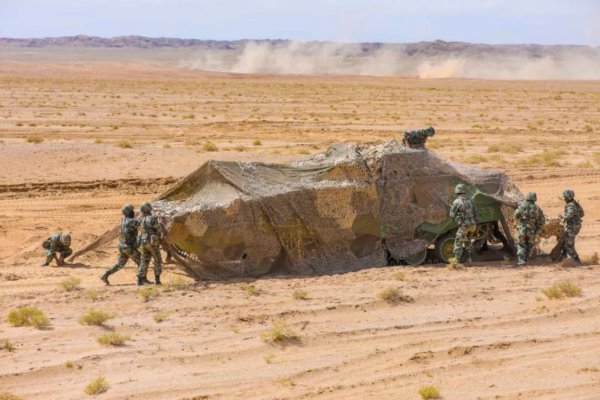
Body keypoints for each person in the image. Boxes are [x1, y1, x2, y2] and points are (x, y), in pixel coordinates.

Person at [100, 204, 149, 285]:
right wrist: (145, 214)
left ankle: (105, 275)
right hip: (128, 247)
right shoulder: (131, 221)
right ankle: (141, 280)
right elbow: (141, 223)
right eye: (132, 211)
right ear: (129, 212)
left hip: (122, 246)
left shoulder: (123, 220)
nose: (133, 212)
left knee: (120, 264)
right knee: (142, 261)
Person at [137, 202, 166, 286]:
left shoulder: (141, 219)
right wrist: (162, 226)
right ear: (148, 209)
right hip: (152, 242)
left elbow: (139, 229)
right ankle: (157, 280)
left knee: (144, 261)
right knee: (157, 260)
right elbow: (159, 229)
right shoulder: (152, 218)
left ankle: (139, 280)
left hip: (143, 242)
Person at [449, 183, 477, 263]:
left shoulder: (457, 202)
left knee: (458, 240)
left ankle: (456, 260)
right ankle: (469, 259)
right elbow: (475, 212)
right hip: (473, 225)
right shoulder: (471, 200)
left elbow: (451, 215)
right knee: (468, 241)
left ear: (457, 191)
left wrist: (451, 208)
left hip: (465, 225)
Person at [514, 192, 545, 266]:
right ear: (534, 199)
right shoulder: (537, 208)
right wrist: (538, 228)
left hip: (522, 229)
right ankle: (526, 259)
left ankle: (521, 260)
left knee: (522, 244)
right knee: (530, 244)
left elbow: (516, 215)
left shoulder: (522, 206)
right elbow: (542, 220)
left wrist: (518, 224)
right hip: (532, 230)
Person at [558, 189, 584, 264]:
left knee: (569, 245)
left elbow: (569, 214)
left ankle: (577, 260)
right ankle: (562, 257)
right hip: (576, 226)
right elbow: (582, 214)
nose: (564, 199)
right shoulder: (576, 203)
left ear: (569, 197)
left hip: (571, 227)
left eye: (565, 197)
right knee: (565, 241)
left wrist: (562, 217)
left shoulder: (570, 205)